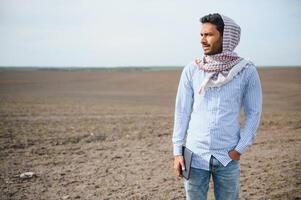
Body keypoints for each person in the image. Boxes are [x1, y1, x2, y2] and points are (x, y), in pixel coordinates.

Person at [172, 13, 262, 200]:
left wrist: (239, 150)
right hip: (193, 154)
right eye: (201, 35)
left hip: (228, 157)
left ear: (226, 37)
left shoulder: (246, 71)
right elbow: (182, 112)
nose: (203, 40)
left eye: (209, 35)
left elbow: (254, 113)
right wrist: (177, 152)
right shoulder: (192, 69)